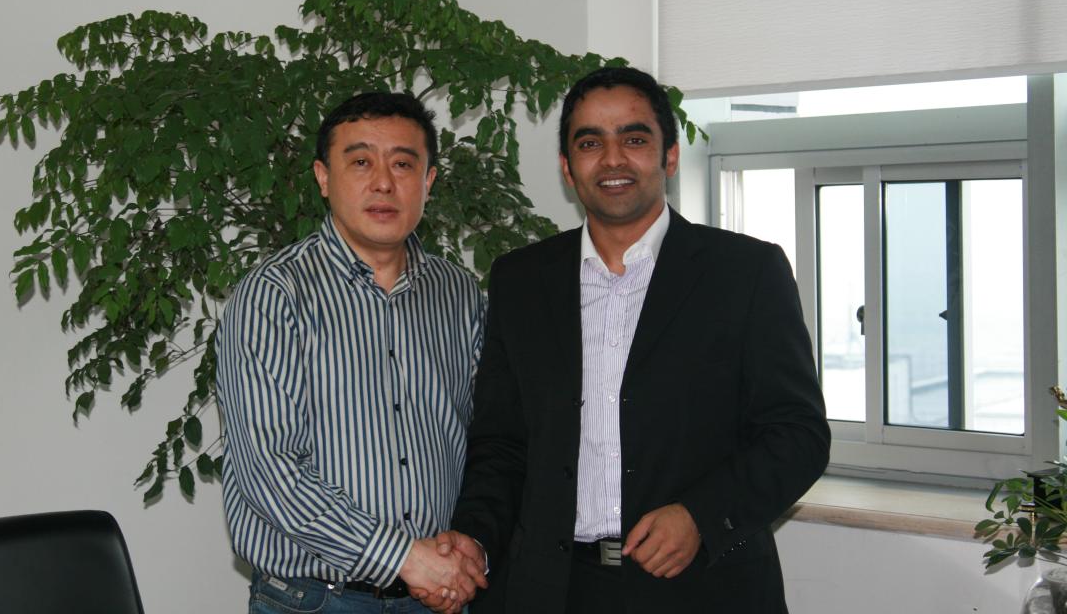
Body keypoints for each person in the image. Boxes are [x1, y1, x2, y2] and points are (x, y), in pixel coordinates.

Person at [422, 67, 830, 612]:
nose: (612, 160)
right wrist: (475, 537)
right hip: (550, 589)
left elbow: (798, 435)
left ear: (670, 156)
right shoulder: (521, 280)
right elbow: (501, 443)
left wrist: (701, 516)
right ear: (568, 167)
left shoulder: (746, 272)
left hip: (701, 588)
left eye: (634, 140)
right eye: (590, 143)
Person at [215, 91, 489, 613]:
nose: (384, 182)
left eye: (403, 164)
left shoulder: (459, 293)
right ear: (323, 177)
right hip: (315, 600)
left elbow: (487, 437)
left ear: (429, 180)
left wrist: (469, 545)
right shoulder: (274, 294)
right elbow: (270, 469)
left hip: (439, 593)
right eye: (361, 162)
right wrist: (403, 558)